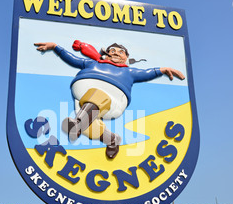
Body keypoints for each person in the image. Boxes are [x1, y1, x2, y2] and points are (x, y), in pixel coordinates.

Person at [34, 40, 185, 159]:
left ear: (126, 57)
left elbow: (147, 73)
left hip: (114, 99)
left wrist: (163, 70)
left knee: (96, 96)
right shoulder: (92, 63)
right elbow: (73, 59)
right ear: (106, 53)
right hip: (83, 94)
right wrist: (55, 47)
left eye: (121, 52)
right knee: (90, 127)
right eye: (112, 51)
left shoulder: (129, 71)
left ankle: (78, 124)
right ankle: (112, 140)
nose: (116, 53)